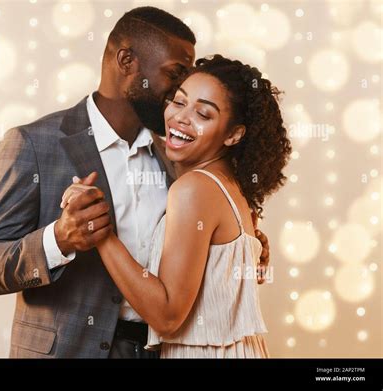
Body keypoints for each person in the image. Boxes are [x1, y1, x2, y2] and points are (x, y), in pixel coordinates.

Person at [0, 7, 270, 359]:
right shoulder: (34, 144)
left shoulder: (178, 152)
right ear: (127, 61)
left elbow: (191, 243)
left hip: (157, 349)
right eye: (174, 75)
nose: (178, 91)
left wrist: (237, 243)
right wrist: (58, 239)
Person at [83, 55, 292, 358]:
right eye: (178, 102)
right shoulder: (232, 187)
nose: (181, 117)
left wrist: (100, 231)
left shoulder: (193, 189)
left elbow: (167, 317)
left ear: (234, 134)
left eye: (203, 114)